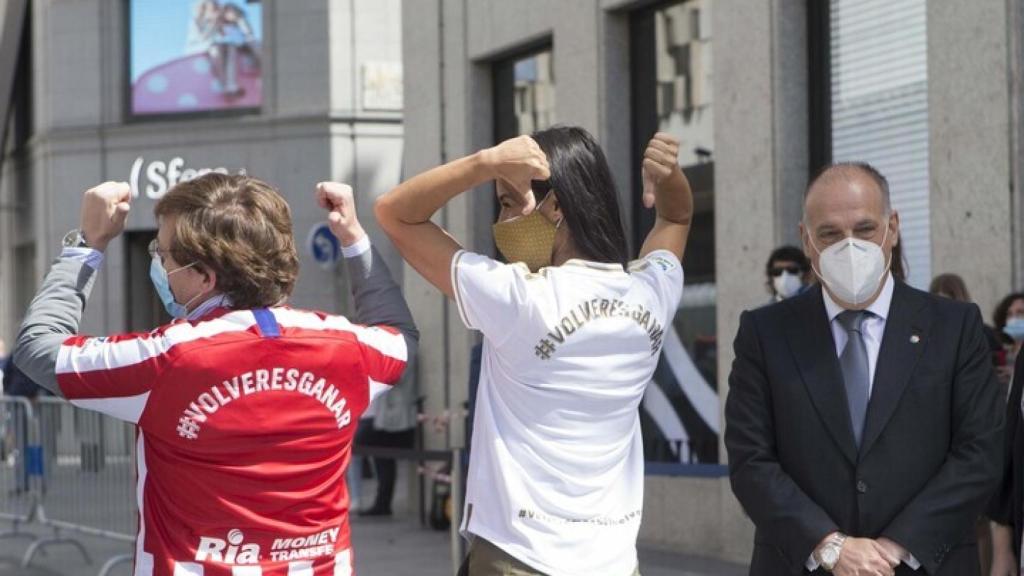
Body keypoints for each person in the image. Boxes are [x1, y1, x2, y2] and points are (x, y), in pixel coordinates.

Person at [14, 175, 417, 575]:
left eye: (164, 255)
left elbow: (37, 348)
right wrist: (353, 237)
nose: (160, 266)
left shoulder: (171, 356)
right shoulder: (347, 346)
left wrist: (88, 241)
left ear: (205, 277)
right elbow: (400, 336)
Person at [375, 126, 691, 576]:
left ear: (556, 206)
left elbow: (395, 213)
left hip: (521, 555)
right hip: (615, 560)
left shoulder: (519, 298)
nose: (503, 223)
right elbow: (675, 219)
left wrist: (485, 162)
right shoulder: (649, 294)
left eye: (508, 203)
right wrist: (670, 174)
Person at [725, 162, 1003, 576]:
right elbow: (750, 460)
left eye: (865, 228)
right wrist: (831, 548)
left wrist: (893, 549)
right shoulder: (764, 333)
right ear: (806, 240)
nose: (849, 247)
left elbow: (980, 452)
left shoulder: (954, 327)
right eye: (830, 234)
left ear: (893, 228)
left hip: (926, 564)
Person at [355, 355, 418, 517]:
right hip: (386, 415)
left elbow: (393, 376)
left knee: (369, 448)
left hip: (394, 416)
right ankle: (382, 502)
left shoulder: (405, 351)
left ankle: (381, 502)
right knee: (383, 460)